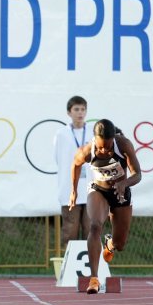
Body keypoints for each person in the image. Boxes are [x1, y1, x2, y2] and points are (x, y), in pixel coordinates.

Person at [70, 119, 142, 294]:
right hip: (99, 190)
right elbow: (75, 165)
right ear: (95, 140)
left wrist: (124, 184)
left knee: (121, 243)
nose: (104, 151)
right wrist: (73, 191)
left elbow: (137, 174)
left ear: (114, 139)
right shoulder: (87, 151)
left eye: (108, 147)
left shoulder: (123, 145)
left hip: (121, 193)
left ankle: (109, 244)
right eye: (101, 147)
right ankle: (94, 279)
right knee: (94, 226)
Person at [53, 95, 90, 249]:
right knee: (70, 230)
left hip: (90, 189)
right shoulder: (62, 134)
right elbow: (57, 158)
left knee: (91, 229)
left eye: (82, 109)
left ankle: (92, 268)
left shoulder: (93, 134)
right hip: (70, 190)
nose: (80, 113)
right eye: (76, 109)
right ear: (69, 112)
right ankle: (69, 269)